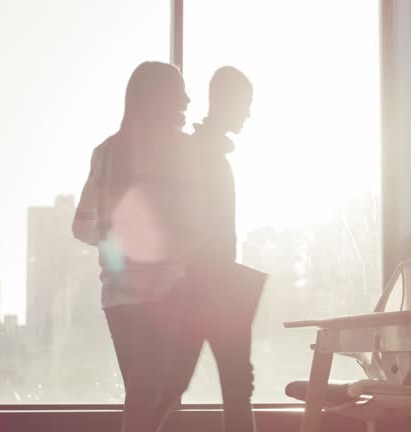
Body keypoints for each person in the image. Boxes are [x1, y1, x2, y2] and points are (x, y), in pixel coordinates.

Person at [72, 61, 200, 432]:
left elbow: (81, 226)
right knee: (152, 404)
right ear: (159, 97)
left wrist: (116, 242)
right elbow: (195, 227)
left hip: (118, 297)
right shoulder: (183, 151)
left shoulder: (106, 153)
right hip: (167, 295)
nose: (188, 99)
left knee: (145, 400)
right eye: (180, 91)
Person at [164, 66, 258, 432]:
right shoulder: (208, 159)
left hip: (202, 288)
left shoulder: (200, 154)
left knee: (176, 385)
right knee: (234, 387)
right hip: (210, 289)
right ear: (227, 102)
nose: (248, 114)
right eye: (245, 105)